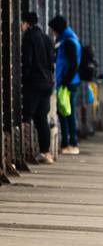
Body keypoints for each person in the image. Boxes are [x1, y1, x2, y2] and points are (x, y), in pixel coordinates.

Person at [20, 11, 56, 164]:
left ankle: (22, 152)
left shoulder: (28, 37)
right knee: (42, 119)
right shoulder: (47, 38)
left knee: (26, 117)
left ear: (26, 23)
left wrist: (23, 79)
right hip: (47, 83)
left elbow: (27, 62)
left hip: (33, 84)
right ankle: (45, 152)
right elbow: (51, 61)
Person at [48, 15, 81, 155]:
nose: (53, 33)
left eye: (53, 30)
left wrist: (65, 82)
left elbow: (73, 64)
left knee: (66, 113)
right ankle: (70, 142)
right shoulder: (71, 38)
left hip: (67, 83)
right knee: (67, 112)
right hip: (70, 82)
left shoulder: (67, 42)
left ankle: (70, 143)